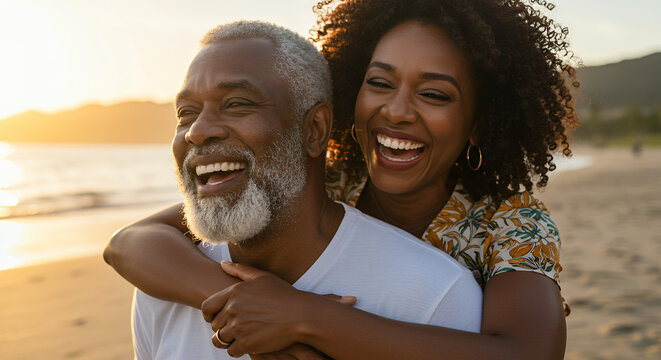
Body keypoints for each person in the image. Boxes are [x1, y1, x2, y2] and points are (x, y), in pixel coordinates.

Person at [105, 0, 577, 359]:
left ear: (479, 121)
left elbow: (526, 354)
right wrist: (237, 304)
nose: (396, 110)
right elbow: (133, 241)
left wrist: (308, 317)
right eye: (379, 83)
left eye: (434, 93)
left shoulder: (508, 222)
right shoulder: (327, 180)